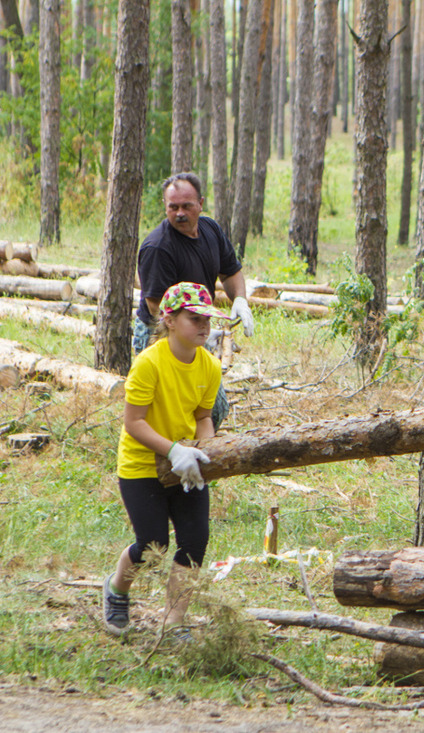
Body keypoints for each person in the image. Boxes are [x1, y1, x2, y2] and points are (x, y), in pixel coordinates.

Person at [103, 282, 229, 638]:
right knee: (152, 544)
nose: (204, 326)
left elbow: (204, 417)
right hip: (142, 465)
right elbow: (133, 423)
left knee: (195, 540)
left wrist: (208, 454)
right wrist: (172, 449)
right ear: (169, 320)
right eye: (194, 319)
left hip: (186, 465)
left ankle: (174, 622)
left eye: (207, 318)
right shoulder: (148, 363)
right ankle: (116, 590)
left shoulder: (210, 366)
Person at [134, 172, 254, 428]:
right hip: (161, 334)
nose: (179, 213)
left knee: (211, 409)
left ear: (200, 203)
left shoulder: (210, 229)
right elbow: (158, 308)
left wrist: (240, 300)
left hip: (193, 328)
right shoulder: (158, 248)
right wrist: (195, 333)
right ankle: (169, 458)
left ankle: (197, 455)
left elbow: (230, 271)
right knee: (166, 414)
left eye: (186, 206)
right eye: (172, 207)